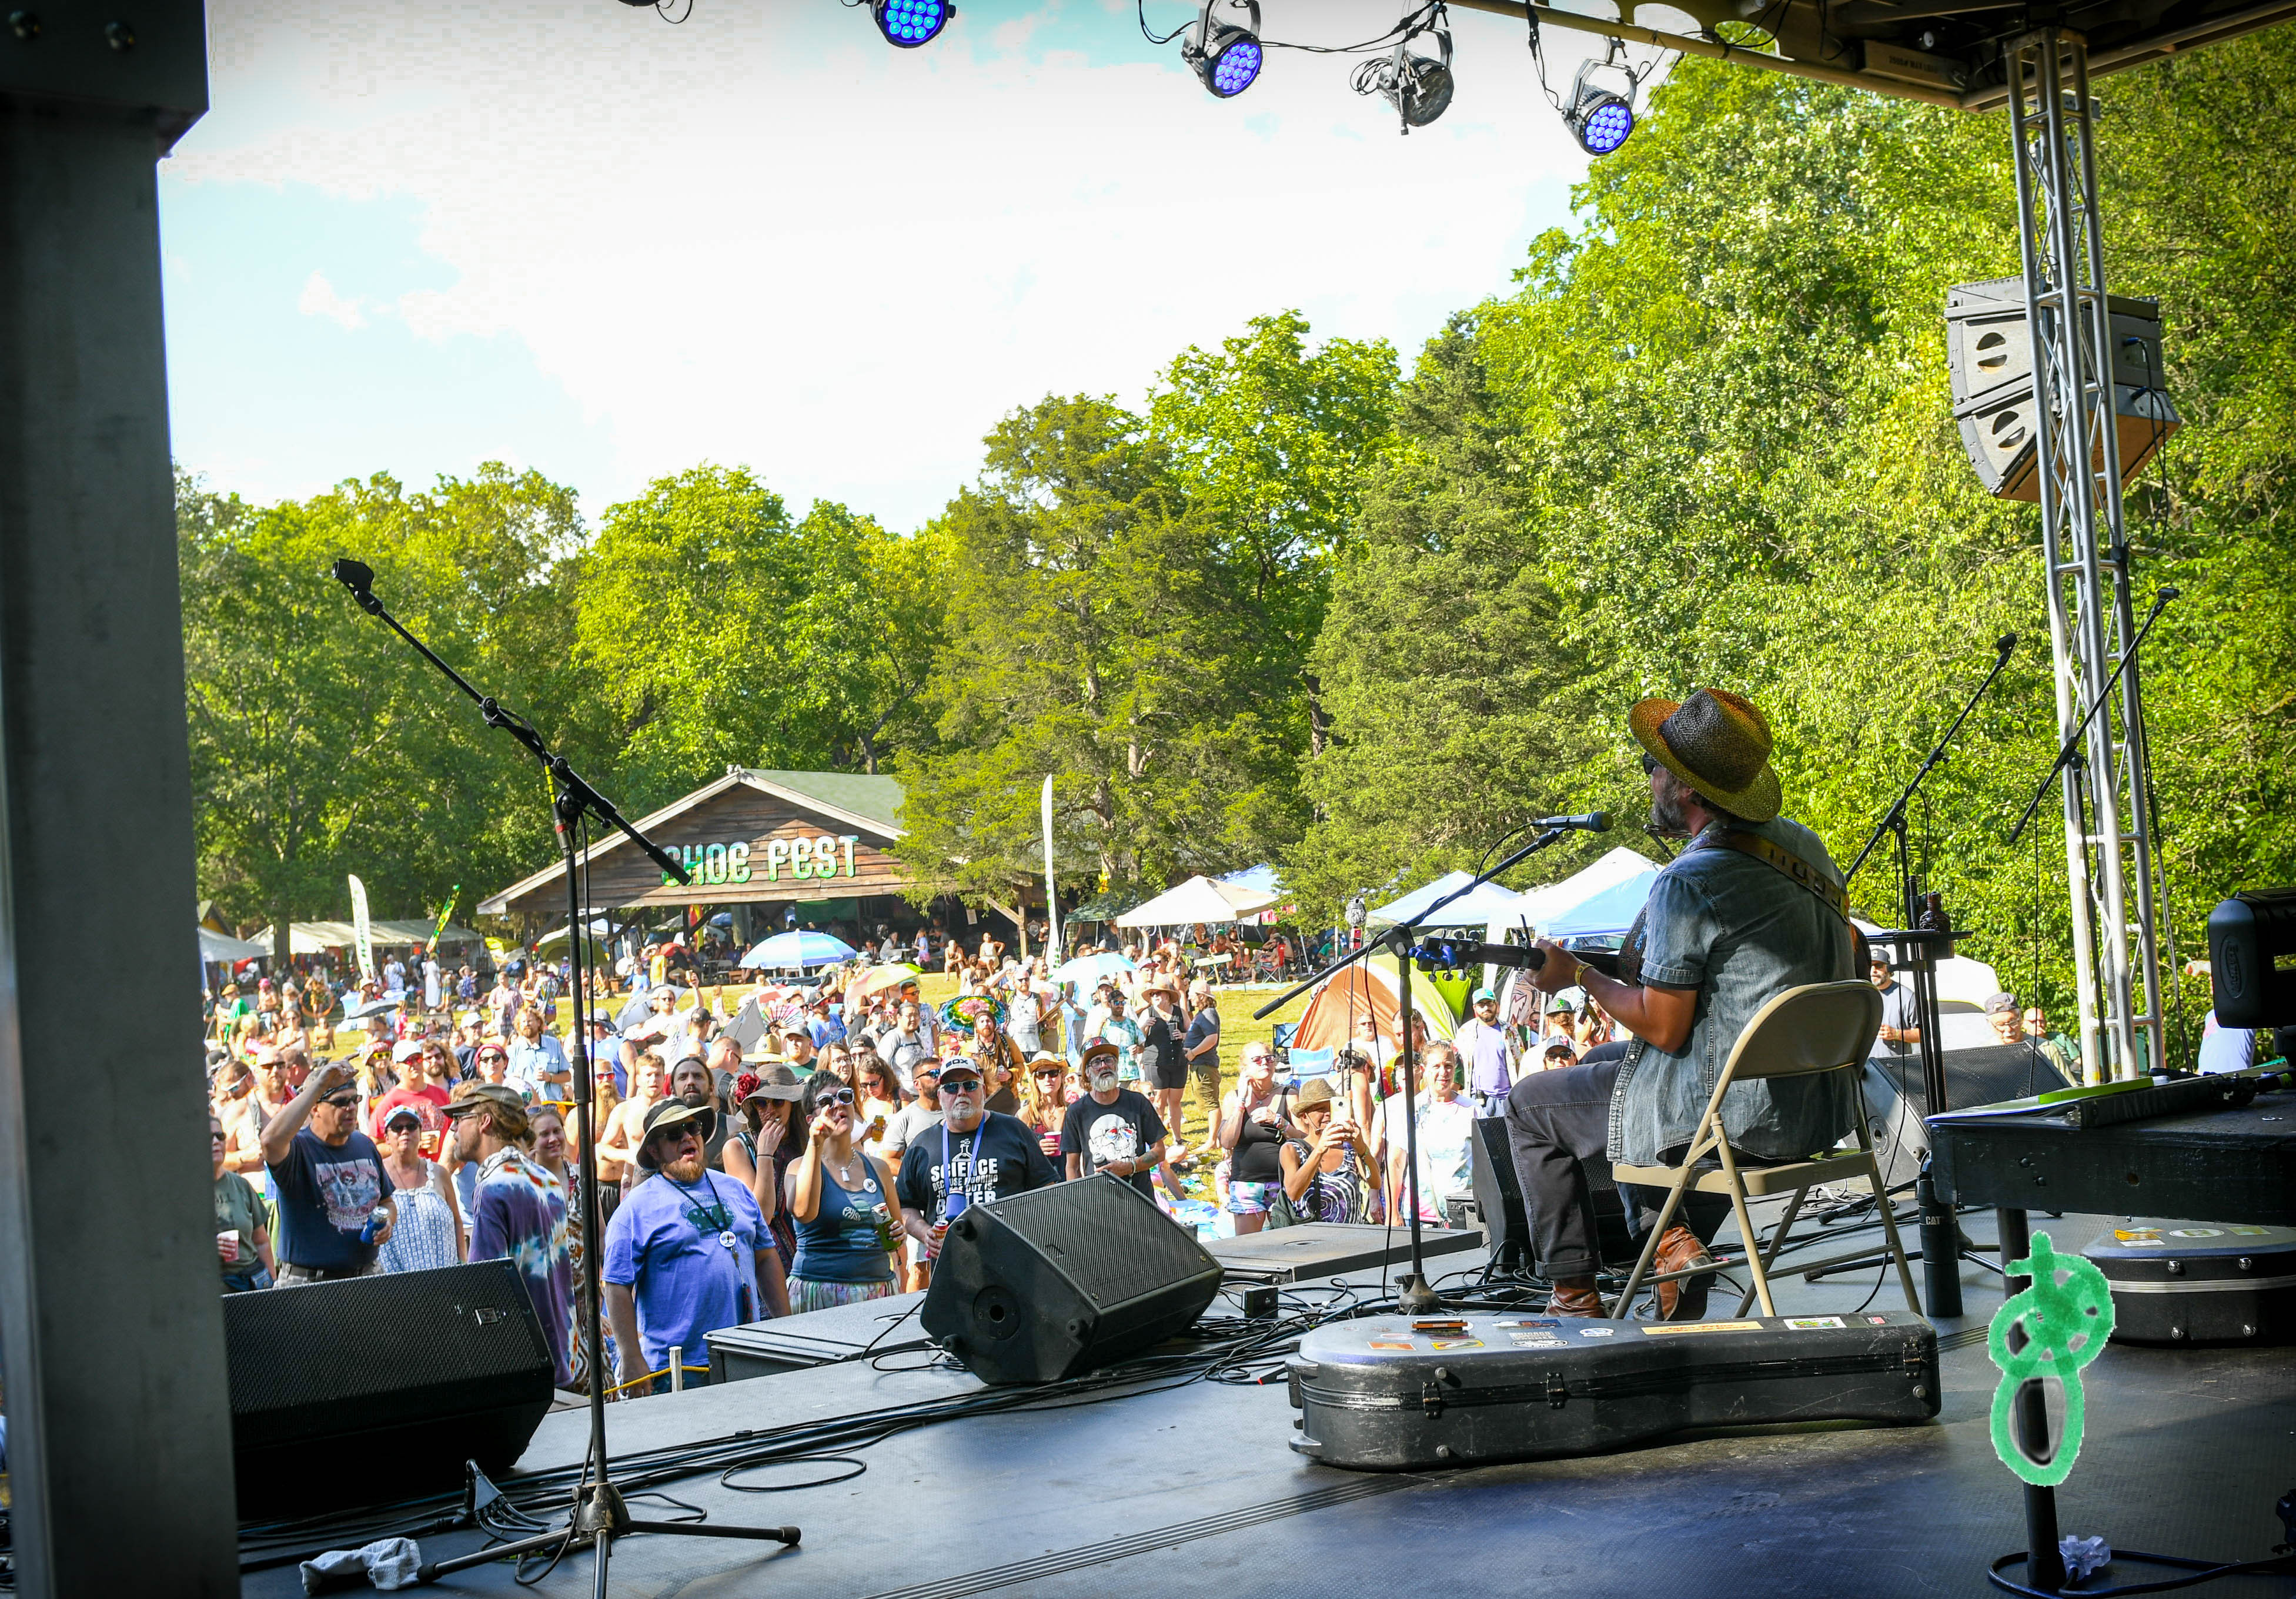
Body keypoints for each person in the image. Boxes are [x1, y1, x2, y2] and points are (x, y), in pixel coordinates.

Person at [1506, 687, 1859, 1320]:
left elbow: (1666, 1028)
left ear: (1687, 790)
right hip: (1814, 1103)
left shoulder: (1689, 881)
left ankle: (1576, 1292)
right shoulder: (1805, 847)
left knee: (1530, 1104)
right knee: (1619, 1056)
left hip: (1736, 1119)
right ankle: (1671, 1245)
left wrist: (1580, 975)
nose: (1649, 779)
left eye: (1654, 767)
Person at [602, 1099, 774, 1394]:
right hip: (675, 1370)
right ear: (654, 1150)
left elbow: (766, 1257)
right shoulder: (635, 1209)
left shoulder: (736, 1191)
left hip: (745, 1357)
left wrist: (783, 1329)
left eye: (691, 1127)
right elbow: (616, 1285)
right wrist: (631, 1356)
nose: (686, 1137)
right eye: (673, 1133)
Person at [452, 1083, 579, 1389]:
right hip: (561, 1354)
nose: (454, 1130)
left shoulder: (494, 1187)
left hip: (522, 1364)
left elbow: (486, 1285)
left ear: (484, 1121)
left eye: (460, 1118)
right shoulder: (546, 1179)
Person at [894, 1057, 1058, 1267]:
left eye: (970, 1085)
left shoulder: (1014, 1131)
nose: (961, 1093)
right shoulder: (922, 1145)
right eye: (952, 1087)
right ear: (941, 1095)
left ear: (983, 1090)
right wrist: (925, 1233)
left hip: (1012, 1262)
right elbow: (905, 1206)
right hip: (950, 1266)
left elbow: (1047, 1189)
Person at [261, 1059, 396, 1283]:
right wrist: (321, 1084)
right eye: (341, 1102)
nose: (351, 1107)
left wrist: (388, 1222)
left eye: (355, 1100)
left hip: (367, 1276)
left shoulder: (365, 1145)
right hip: (309, 1282)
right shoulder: (298, 1150)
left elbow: (387, 1202)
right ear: (315, 1108)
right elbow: (269, 1141)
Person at [785, 1073, 904, 1312]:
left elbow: (896, 1239)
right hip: (819, 1293)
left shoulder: (878, 1168)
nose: (838, 1104)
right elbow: (803, 1212)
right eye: (827, 1102)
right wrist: (816, 1143)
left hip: (877, 1290)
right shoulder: (799, 1167)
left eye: (845, 1097)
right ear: (811, 1119)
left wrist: (898, 1235)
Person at [723, 1065, 802, 1318]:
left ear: (793, 1104)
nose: (770, 1111)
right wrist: (765, 1154)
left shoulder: (806, 1145)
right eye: (761, 1104)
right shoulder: (738, 1148)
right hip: (766, 1264)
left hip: (810, 1262)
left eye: (778, 1102)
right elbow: (761, 1216)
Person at [1062, 1039, 1172, 1199]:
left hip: (1141, 1202)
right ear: (1086, 1073)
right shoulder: (1077, 1112)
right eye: (1096, 1062)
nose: (1104, 1065)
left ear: (1116, 1065)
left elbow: (1160, 1151)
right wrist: (1079, 1203)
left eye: (1108, 1059)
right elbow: (1072, 1167)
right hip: (1099, 1205)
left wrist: (1130, 1167)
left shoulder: (1138, 1102)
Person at [1386, 1046, 1477, 1225]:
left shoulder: (1472, 1110)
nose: (1443, 1072)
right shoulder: (1411, 1110)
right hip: (1421, 1215)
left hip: (1463, 1213)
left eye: (1448, 1065)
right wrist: (1392, 1212)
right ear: (1424, 1070)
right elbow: (1396, 1163)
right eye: (1436, 1066)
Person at [376, 1104, 466, 1273]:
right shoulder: (376, 1175)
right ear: (387, 1137)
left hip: (444, 1279)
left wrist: (463, 1264)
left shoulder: (439, 1173)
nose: (405, 1132)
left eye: (411, 1127)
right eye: (397, 1128)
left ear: (420, 1133)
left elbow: (457, 1221)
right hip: (395, 1283)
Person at [1218, 1044, 1294, 1235]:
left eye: (1269, 1058)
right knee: (1248, 1248)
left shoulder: (1289, 1094)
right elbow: (1227, 1142)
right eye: (1257, 1060)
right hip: (1247, 1183)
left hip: (1283, 1181)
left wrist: (1278, 1121)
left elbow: (1304, 1137)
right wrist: (1241, 1102)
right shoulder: (1233, 1098)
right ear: (1244, 1068)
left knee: (1286, 1245)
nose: (1265, 1063)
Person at [1279, 1079, 1376, 1225]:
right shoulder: (1292, 1149)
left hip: (1352, 1239)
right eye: (1320, 1109)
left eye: (1331, 1108)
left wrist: (1362, 1148)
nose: (1327, 1114)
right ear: (1305, 1117)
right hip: (1312, 1240)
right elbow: (1293, 1193)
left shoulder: (1349, 1148)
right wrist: (1319, 1150)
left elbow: (1375, 1182)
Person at [212, 1113, 273, 1292]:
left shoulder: (241, 1184)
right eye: (208, 1138)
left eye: (220, 1136)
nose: (216, 1142)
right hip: (214, 1288)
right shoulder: (184, 1192)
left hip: (252, 1282)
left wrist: (273, 1285)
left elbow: (261, 1241)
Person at [1136, 979, 1187, 1166]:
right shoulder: (1147, 1014)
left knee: (1175, 1101)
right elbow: (1138, 1039)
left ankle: (1178, 1139)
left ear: (1168, 996)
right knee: (1158, 1103)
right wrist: (1144, 1027)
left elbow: (1191, 1033)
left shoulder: (1180, 1012)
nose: (1155, 997)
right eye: (1152, 994)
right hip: (1155, 1062)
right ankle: (1159, 1143)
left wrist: (1183, 1036)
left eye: (1159, 994)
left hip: (1178, 1061)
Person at [1453, 986, 1519, 1116]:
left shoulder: (1510, 1031)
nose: (1486, 1008)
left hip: (1506, 1099)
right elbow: (1458, 1069)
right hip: (1476, 1099)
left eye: (1489, 1003)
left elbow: (1520, 1063)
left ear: (1497, 1006)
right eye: (1481, 1005)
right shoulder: (1464, 1032)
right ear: (1475, 1008)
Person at [1181, 982, 1222, 1158]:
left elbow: (1212, 1038)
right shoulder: (1202, 1014)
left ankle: (1212, 1141)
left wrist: (1193, 1053)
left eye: (1192, 994)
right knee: (1209, 1102)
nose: (1190, 997)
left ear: (1202, 997)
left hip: (1204, 1063)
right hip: (1200, 1063)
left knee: (1211, 1103)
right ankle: (1214, 1139)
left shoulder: (1208, 1014)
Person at [506, 1005, 571, 1099]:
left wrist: (550, 1077)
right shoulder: (513, 1050)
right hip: (527, 1107)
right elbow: (508, 1081)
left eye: (530, 1021)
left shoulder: (554, 1044)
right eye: (523, 1022)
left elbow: (567, 1076)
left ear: (539, 1023)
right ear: (519, 1026)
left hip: (552, 1106)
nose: (527, 1024)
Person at [1870, 952, 1921, 1057]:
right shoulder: (1863, 994)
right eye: (1869, 966)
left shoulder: (1907, 996)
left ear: (1890, 969)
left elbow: (1922, 1035)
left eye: (1879, 966)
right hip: (1866, 1067)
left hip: (1896, 1068)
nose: (1873, 970)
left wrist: (1896, 1034)